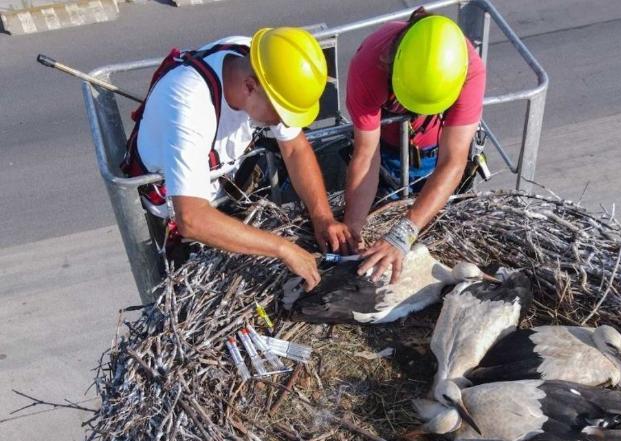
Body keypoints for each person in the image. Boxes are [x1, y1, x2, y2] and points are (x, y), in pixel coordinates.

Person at [122, 27, 357, 290]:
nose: (283, 122)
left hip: (221, 184)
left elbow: (295, 149)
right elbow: (191, 219)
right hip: (176, 213)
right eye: (281, 112)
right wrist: (282, 248)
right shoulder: (189, 106)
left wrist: (322, 217)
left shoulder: (257, 61)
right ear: (249, 86)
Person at [344, 9, 486, 283]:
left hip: (435, 154)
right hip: (385, 152)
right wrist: (354, 228)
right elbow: (366, 155)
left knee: (432, 229)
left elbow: (453, 161)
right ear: (391, 65)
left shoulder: (468, 70)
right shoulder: (369, 64)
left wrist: (403, 233)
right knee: (378, 213)